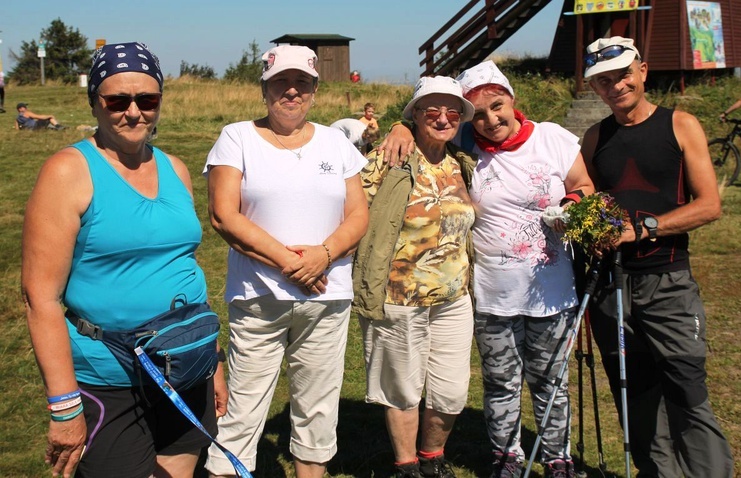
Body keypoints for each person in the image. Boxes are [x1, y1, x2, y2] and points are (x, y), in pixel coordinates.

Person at [21, 41, 227, 478]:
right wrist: (63, 406)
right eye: (117, 100)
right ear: (95, 103)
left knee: (180, 470)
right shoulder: (68, 171)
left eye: (147, 99)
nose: (133, 112)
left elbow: (185, 265)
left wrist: (214, 360)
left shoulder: (175, 168)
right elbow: (40, 297)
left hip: (185, 365)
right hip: (108, 375)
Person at [381, 61, 595, 478]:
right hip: (491, 293)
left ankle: (557, 458)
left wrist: (570, 207)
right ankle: (507, 455)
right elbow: (427, 123)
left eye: (498, 107)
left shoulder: (553, 138)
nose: (491, 120)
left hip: (552, 292)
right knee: (500, 382)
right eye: (478, 113)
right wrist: (400, 126)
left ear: (513, 101)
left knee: (551, 382)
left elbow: (583, 185)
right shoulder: (464, 146)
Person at [203, 45, 369, 478]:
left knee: (317, 409)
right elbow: (224, 214)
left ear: (315, 90)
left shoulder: (337, 141)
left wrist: (325, 255)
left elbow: (358, 214)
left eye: (302, 84)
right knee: (243, 407)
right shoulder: (236, 137)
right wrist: (292, 263)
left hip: (326, 300)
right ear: (264, 87)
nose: (291, 92)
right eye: (280, 82)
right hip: (259, 299)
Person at [580, 36, 734, 477]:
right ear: (595, 89)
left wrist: (644, 229)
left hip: (668, 282)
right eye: (604, 81)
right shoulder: (595, 137)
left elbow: (709, 205)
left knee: (687, 391)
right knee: (638, 398)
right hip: (613, 289)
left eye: (623, 75)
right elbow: (587, 201)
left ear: (642, 71)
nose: (616, 87)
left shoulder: (680, 125)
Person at [353, 75, 477, 478]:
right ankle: (407, 465)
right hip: (398, 294)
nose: (443, 118)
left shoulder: (462, 163)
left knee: (452, 388)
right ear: (415, 115)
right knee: (402, 387)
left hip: (454, 298)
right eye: (432, 111)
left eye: (452, 111)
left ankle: (433, 456)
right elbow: (351, 212)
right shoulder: (388, 159)